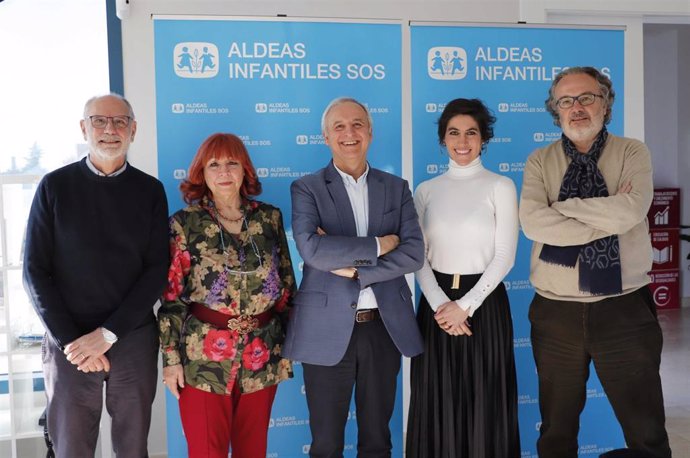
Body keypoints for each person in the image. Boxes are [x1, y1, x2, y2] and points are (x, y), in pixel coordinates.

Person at [519, 66, 671, 458]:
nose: (577, 108)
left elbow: (631, 211)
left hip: (624, 309)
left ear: (606, 103)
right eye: (566, 101)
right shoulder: (540, 160)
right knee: (556, 432)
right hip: (556, 314)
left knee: (646, 430)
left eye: (587, 97)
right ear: (556, 111)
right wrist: (606, 216)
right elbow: (535, 222)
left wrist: (564, 209)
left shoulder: (633, 152)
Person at [23, 94, 169, 457]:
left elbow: (156, 270)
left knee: (133, 446)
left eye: (120, 122)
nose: (110, 130)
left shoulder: (150, 190)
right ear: (83, 128)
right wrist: (73, 341)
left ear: (133, 130)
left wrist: (107, 334)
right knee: (70, 445)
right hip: (68, 342)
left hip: (131, 336)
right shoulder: (54, 187)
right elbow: (34, 271)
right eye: (99, 121)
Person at [282, 97, 425, 457]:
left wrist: (359, 270)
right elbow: (313, 250)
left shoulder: (396, 187)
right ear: (326, 137)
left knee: (378, 440)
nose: (350, 133)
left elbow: (413, 253)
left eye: (358, 124)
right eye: (339, 127)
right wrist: (381, 244)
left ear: (371, 133)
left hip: (383, 328)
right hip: (326, 329)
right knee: (326, 443)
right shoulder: (307, 188)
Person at [158, 133, 295, 458]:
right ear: (201, 173)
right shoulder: (185, 224)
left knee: (253, 450)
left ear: (244, 169)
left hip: (263, 352)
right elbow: (172, 297)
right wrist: (171, 360)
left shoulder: (269, 218)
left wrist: (292, 344)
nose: (224, 172)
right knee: (207, 450)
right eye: (214, 164)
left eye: (232, 163)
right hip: (202, 357)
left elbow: (287, 286)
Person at [406, 98, 521, 457]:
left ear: (483, 138)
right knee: (435, 397)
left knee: (484, 399)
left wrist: (465, 307)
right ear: (443, 139)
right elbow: (416, 257)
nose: (462, 141)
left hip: (483, 307)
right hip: (436, 307)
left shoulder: (500, 186)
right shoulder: (425, 190)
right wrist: (443, 306)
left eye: (471, 132)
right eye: (454, 132)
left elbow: (504, 257)